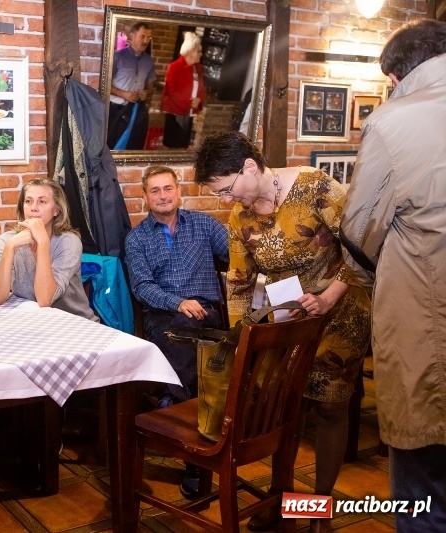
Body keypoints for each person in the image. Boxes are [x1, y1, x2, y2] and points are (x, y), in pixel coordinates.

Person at [194, 131, 371, 533]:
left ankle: (319, 511)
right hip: (288, 320)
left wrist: (328, 297)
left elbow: (362, 250)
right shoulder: (240, 216)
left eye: (226, 189)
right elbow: (239, 282)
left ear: (250, 167)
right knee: (283, 410)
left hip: (342, 308)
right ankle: (282, 501)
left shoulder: (314, 186)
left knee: (329, 407)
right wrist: (244, 339)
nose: (226, 200)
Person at [340, 19, 446, 533]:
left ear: (398, 73)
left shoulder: (393, 120)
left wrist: (363, 280)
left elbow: (360, 231)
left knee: (423, 482)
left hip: (427, 317)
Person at [124, 164, 228, 498]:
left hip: (209, 312)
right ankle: (198, 455)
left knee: (202, 345)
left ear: (178, 191)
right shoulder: (137, 238)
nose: (162, 195)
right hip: (164, 315)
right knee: (189, 346)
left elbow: (237, 253)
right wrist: (178, 302)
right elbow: (141, 286)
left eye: (167, 188)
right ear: (144, 197)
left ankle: (173, 404)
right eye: (154, 190)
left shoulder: (204, 224)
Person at [0, 178, 97, 321]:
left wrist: (43, 243)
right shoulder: (7, 241)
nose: (34, 207)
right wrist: (9, 248)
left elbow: (45, 299)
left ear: (56, 210)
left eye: (42, 201)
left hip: (75, 322)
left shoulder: (68, 242)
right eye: (28, 201)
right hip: (33, 322)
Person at [106, 21, 156, 151]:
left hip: (135, 111)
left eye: (149, 38)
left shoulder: (149, 61)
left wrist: (146, 92)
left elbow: (150, 86)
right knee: (110, 147)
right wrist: (124, 94)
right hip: (114, 110)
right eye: (143, 36)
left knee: (132, 147)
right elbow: (104, 84)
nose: (146, 41)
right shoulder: (118, 57)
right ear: (132, 36)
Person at [160, 31, 205, 148]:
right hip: (175, 114)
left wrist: (199, 100)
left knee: (183, 146)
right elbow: (171, 91)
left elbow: (202, 89)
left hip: (189, 114)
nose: (201, 54)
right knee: (172, 145)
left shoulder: (198, 68)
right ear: (190, 52)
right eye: (198, 51)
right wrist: (190, 102)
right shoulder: (174, 67)